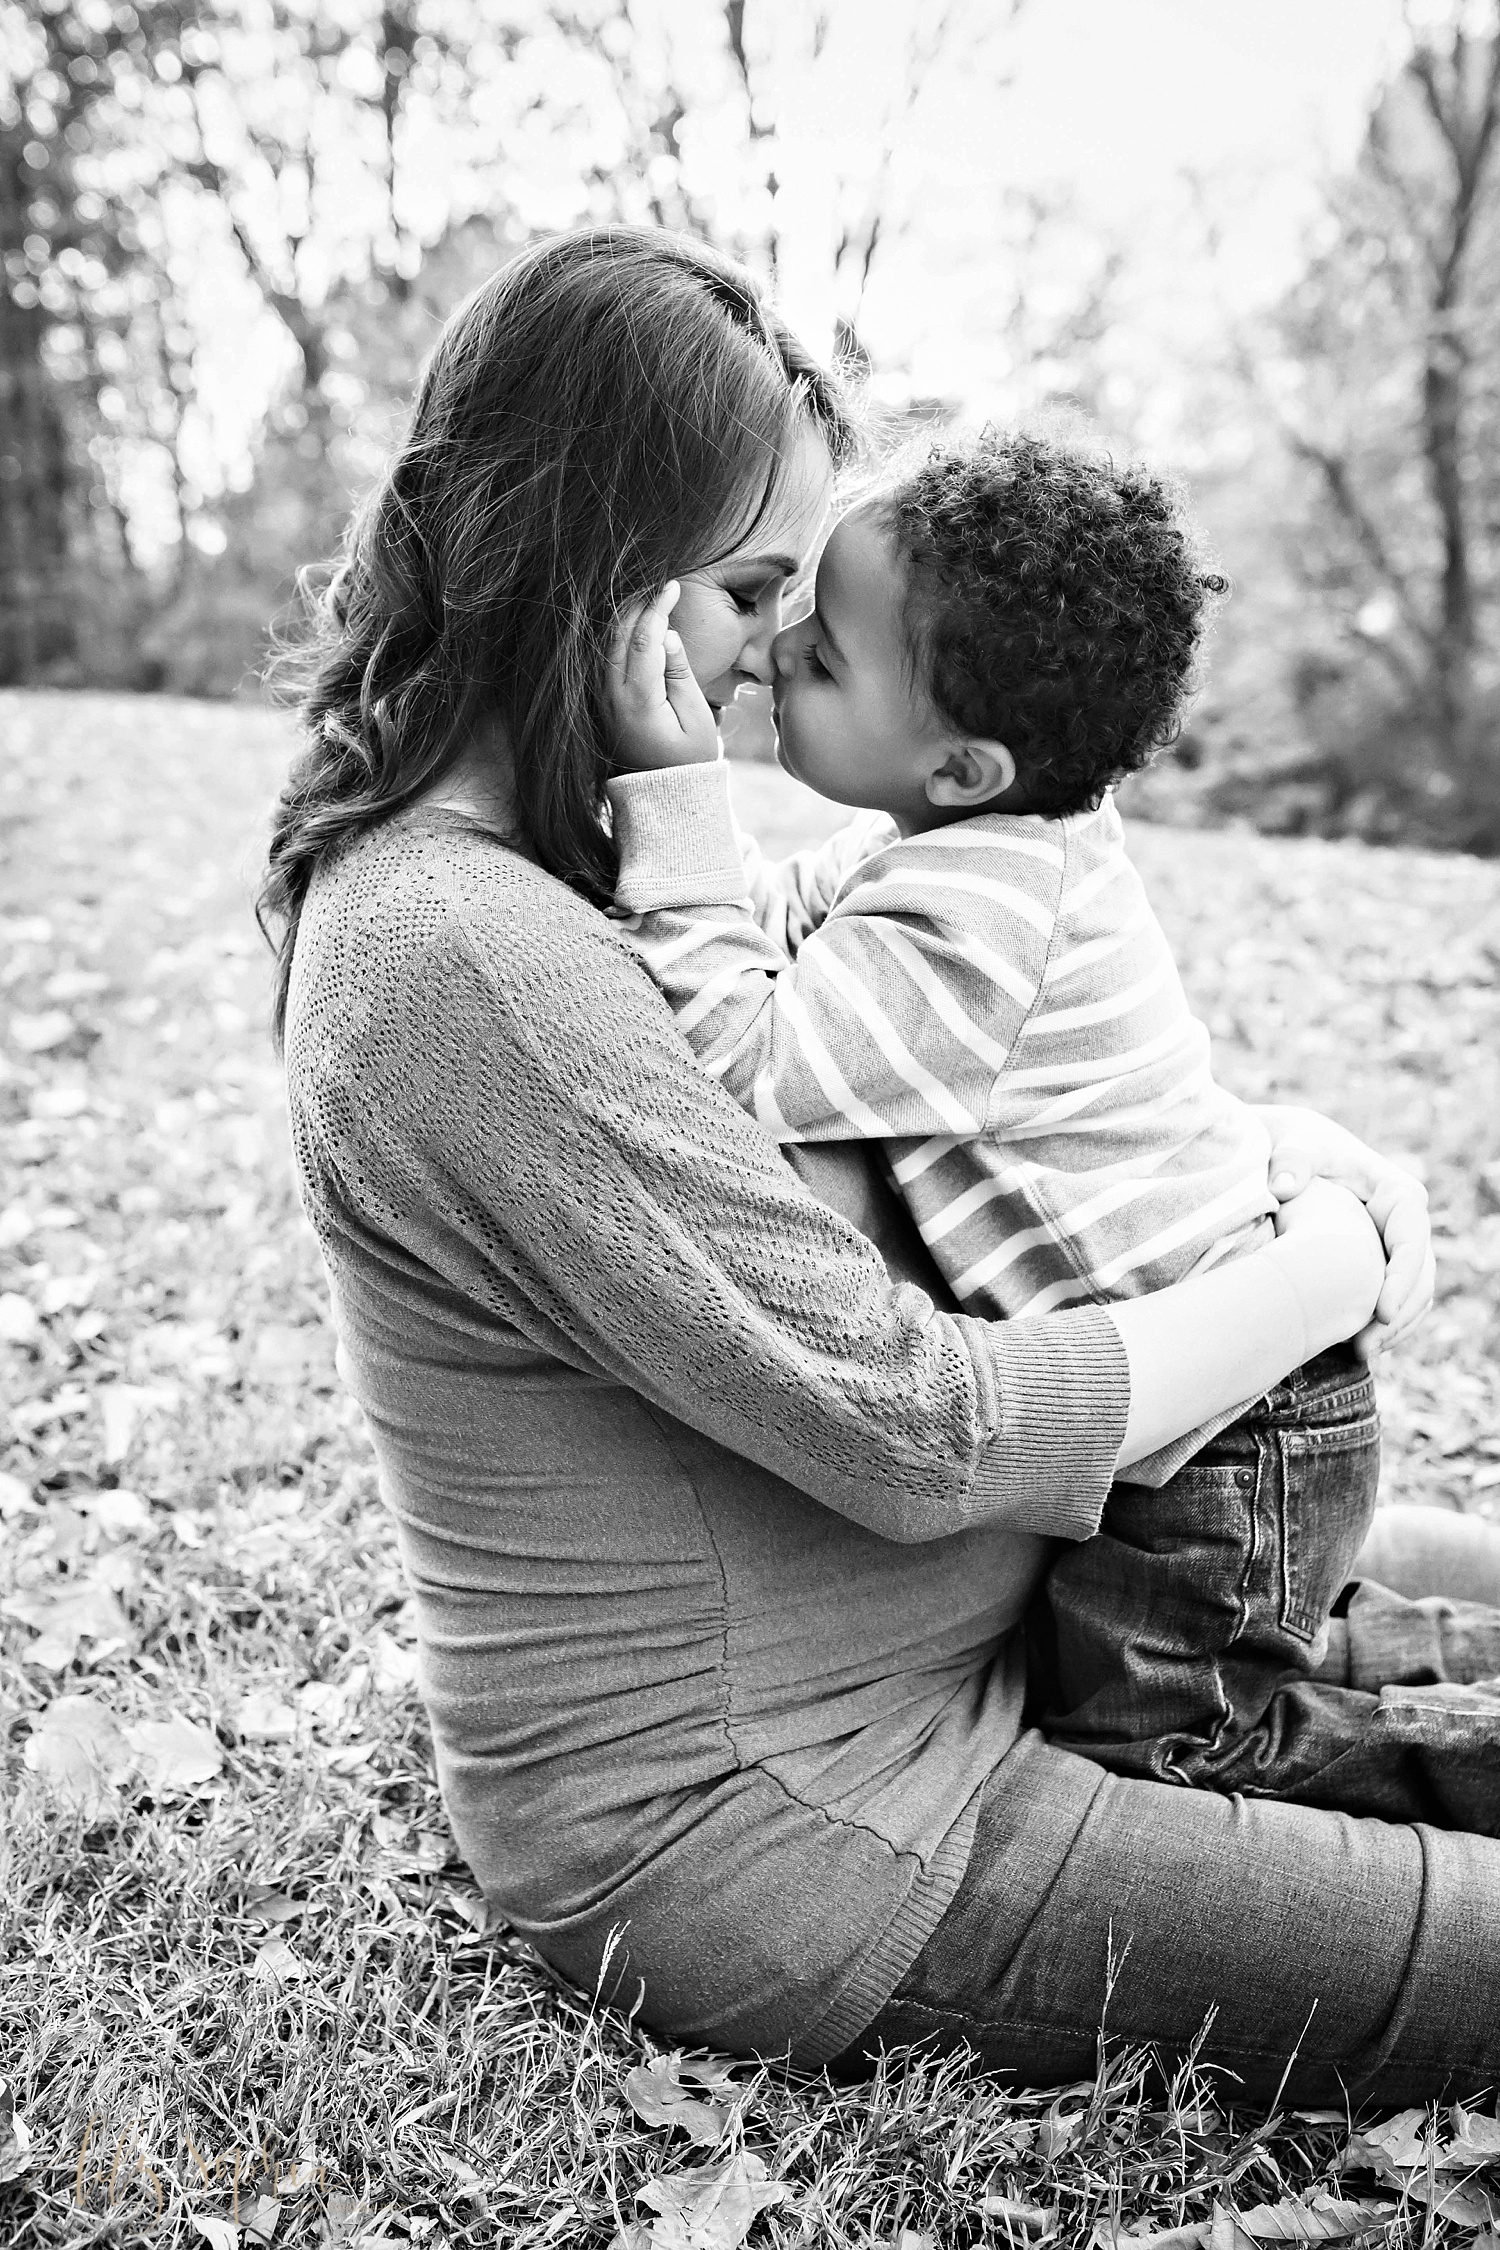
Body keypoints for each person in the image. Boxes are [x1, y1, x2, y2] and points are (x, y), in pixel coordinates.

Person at [262, 223, 1500, 2103]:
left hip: (1026, 1606)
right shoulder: (457, 958)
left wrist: (1271, 1158)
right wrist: (1310, 1277)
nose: (774, 659)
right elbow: (918, 1426)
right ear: (594, 576)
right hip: (794, 1809)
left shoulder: (586, 855)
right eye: (755, 589)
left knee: (1446, 1568)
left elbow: (954, 1098)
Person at [600, 427, 1500, 1829]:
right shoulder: (967, 843)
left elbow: (749, 1051)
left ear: (962, 765)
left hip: (1227, 1432)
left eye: (824, 655)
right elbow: (760, 934)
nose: (774, 653)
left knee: (1169, 1740)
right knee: (1260, 1652)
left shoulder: (979, 920)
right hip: (1236, 1407)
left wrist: (671, 799)